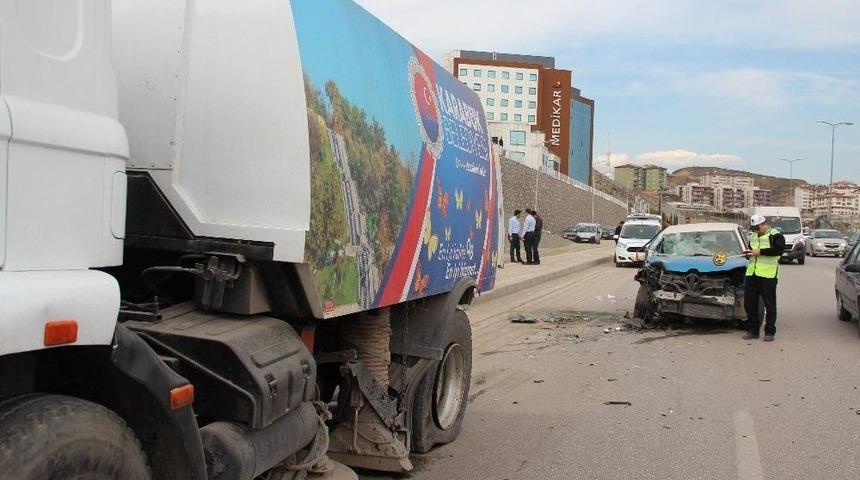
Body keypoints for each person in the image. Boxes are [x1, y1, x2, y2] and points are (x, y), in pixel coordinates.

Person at [743, 214, 785, 342]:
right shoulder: (753, 236)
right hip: (752, 274)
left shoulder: (776, 235)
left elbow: (778, 250)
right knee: (750, 304)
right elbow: (751, 251)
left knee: (769, 305)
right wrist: (748, 254)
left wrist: (760, 252)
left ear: (764, 224)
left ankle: (770, 332)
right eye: (754, 228)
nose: (756, 230)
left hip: (768, 275)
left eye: (758, 228)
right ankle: (753, 331)